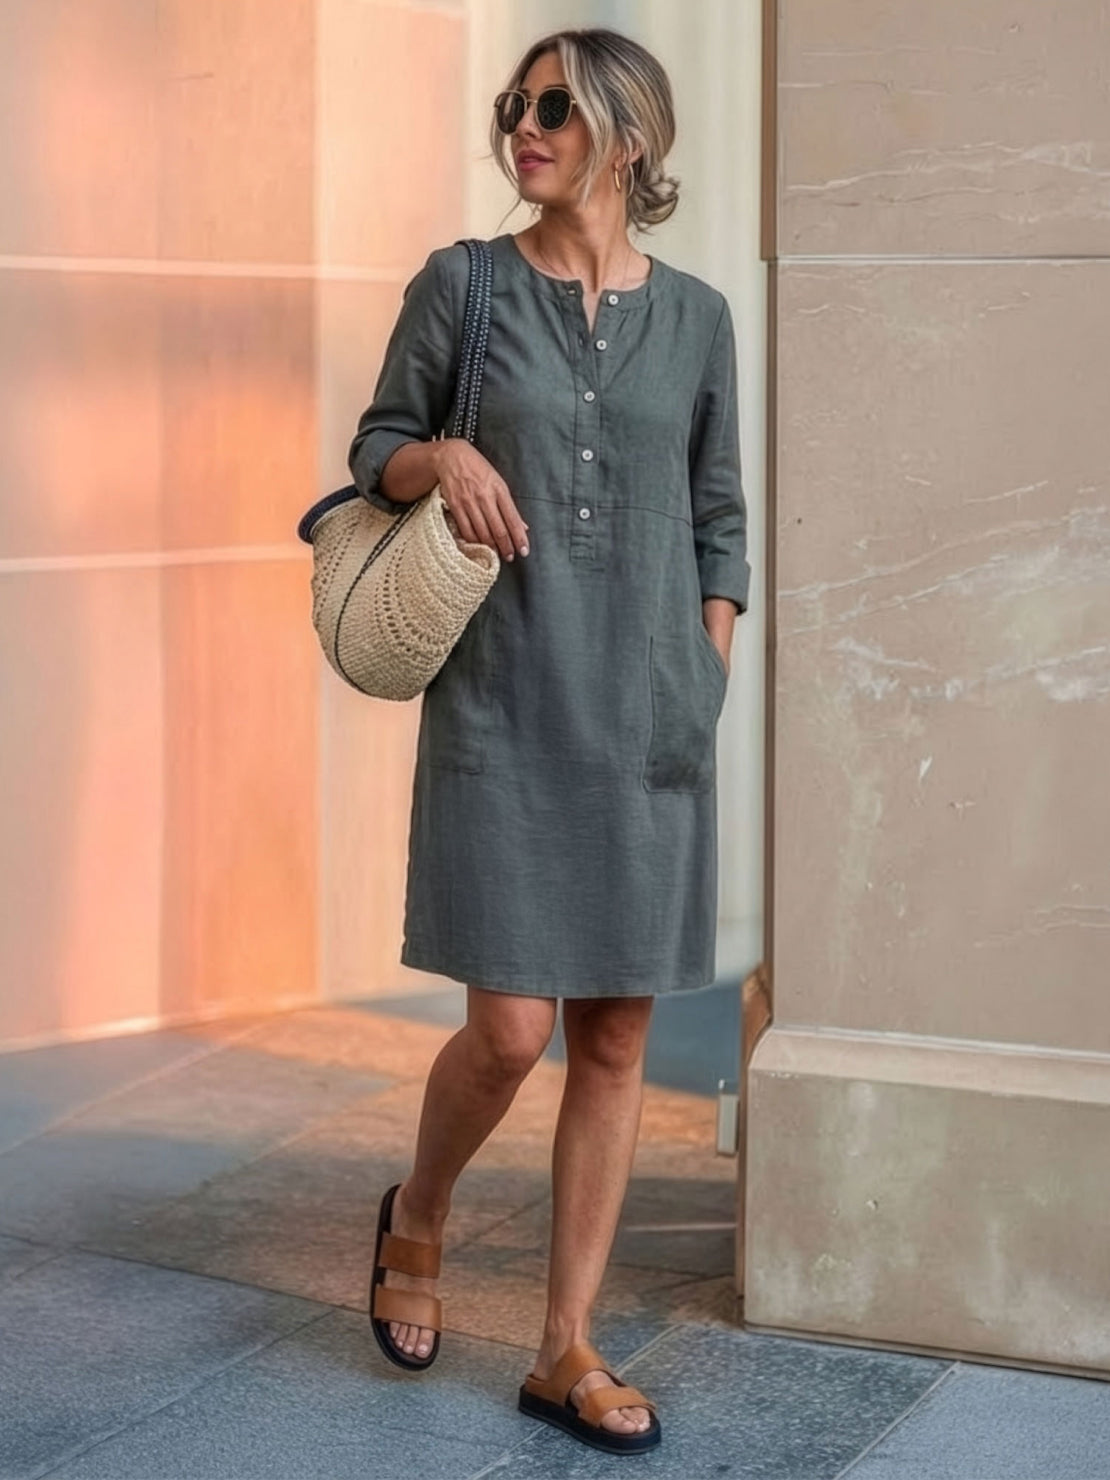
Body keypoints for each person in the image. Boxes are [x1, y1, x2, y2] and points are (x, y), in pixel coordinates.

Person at [350, 25, 750, 1457]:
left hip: (648, 710)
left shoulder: (697, 316)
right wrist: (442, 454)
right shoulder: (462, 285)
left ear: (626, 142)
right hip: (506, 694)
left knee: (619, 1030)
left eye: (555, 112)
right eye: (514, 106)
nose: (523, 128)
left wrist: (701, 673)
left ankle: (565, 1343)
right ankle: (424, 1212)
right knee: (510, 1027)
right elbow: (374, 447)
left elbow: (721, 519)